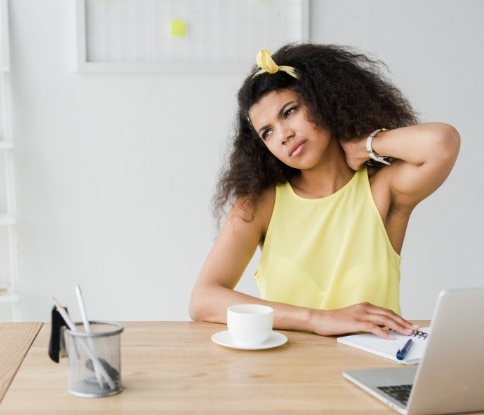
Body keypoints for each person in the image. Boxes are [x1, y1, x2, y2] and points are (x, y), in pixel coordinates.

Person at [189, 44, 460, 339]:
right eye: (267, 132)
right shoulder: (260, 205)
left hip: (372, 370)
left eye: (289, 112)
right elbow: (203, 299)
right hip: (288, 371)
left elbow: (442, 142)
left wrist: (364, 146)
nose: (283, 135)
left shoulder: (382, 189)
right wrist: (318, 319)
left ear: (324, 101)